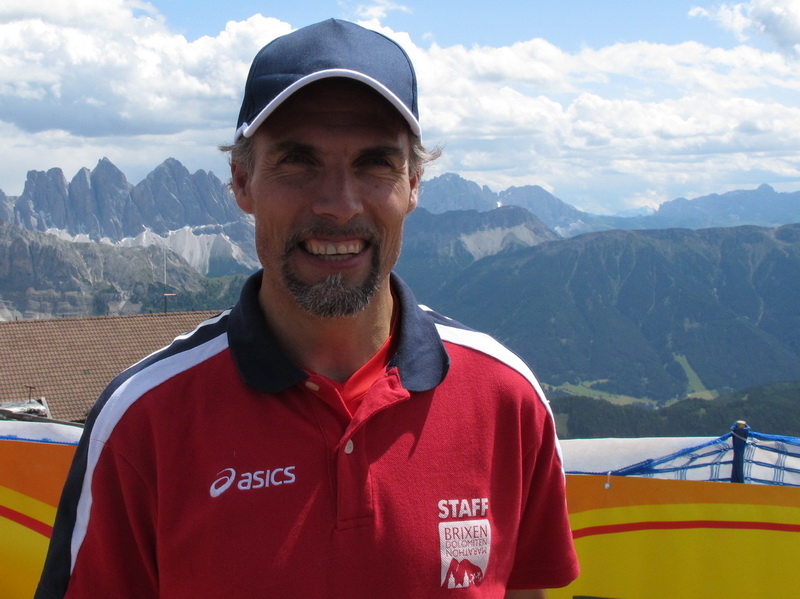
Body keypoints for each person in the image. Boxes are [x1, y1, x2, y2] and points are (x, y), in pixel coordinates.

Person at [36, 19, 579, 598]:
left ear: (414, 183)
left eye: (375, 163)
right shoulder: (142, 421)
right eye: (298, 160)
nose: (339, 205)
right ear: (241, 181)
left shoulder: (507, 399)